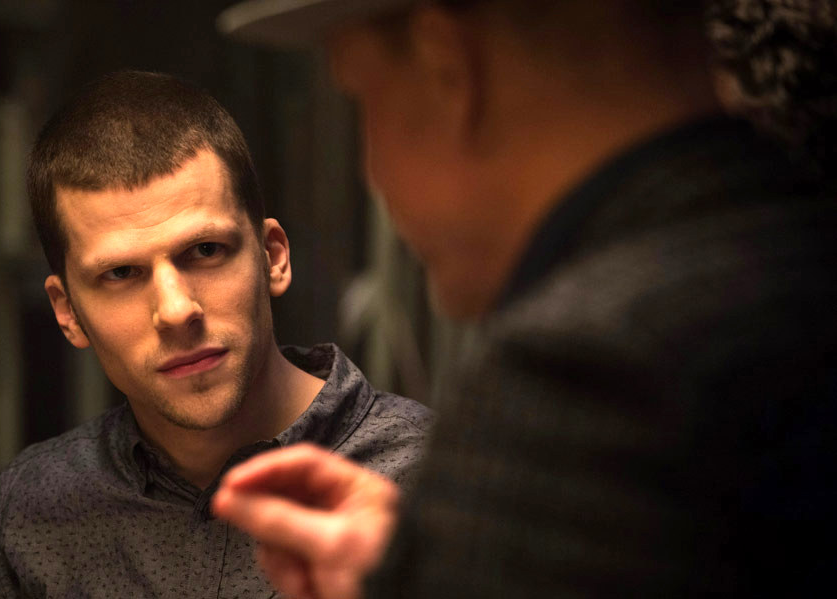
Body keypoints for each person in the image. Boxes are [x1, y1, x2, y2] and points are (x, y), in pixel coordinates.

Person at [212, 1, 837, 598]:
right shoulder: (796, 247)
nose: (371, 171)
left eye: (361, 98)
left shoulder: (589, 372)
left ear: (447, 67)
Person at [0, 70, 433, 599]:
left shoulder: (432, 479)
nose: (176, 311)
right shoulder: (34, 509)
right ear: (68, 312)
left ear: (273, 257)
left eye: (206, 251)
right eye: (120, 274)